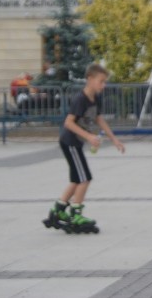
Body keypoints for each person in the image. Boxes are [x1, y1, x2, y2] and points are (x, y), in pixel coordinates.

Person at [43, 63, 125, 233]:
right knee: (84, 178)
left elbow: (99, 119)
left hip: (75, 143)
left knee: (76, 179)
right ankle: (76, 214)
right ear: (89, 80)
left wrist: (114, 140)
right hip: (70, 141)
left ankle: (57, 210)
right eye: (101, 81)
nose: (104, 85)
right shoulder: (81, 99)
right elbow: (68, 122)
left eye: (105, 82)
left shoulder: (96, 98)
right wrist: (88, 136)